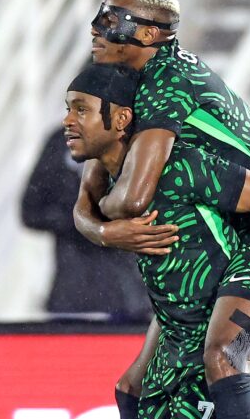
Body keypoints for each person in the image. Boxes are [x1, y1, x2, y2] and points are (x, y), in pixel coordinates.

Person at [74, 0, 250, 419]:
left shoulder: (167, 83)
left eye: (110, 18)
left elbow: (130, 199)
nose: (96, 27)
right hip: (232, 228)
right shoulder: (130, 82)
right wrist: (104, 231)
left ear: (148, 34)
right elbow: (87, 202)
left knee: (225, 356)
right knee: (134, 385)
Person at [20, 127, 152, 322]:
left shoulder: (144, 139)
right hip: (75, 296)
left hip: (131, 299)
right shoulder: (63, 141)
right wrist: (82, 219)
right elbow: (31, 211)